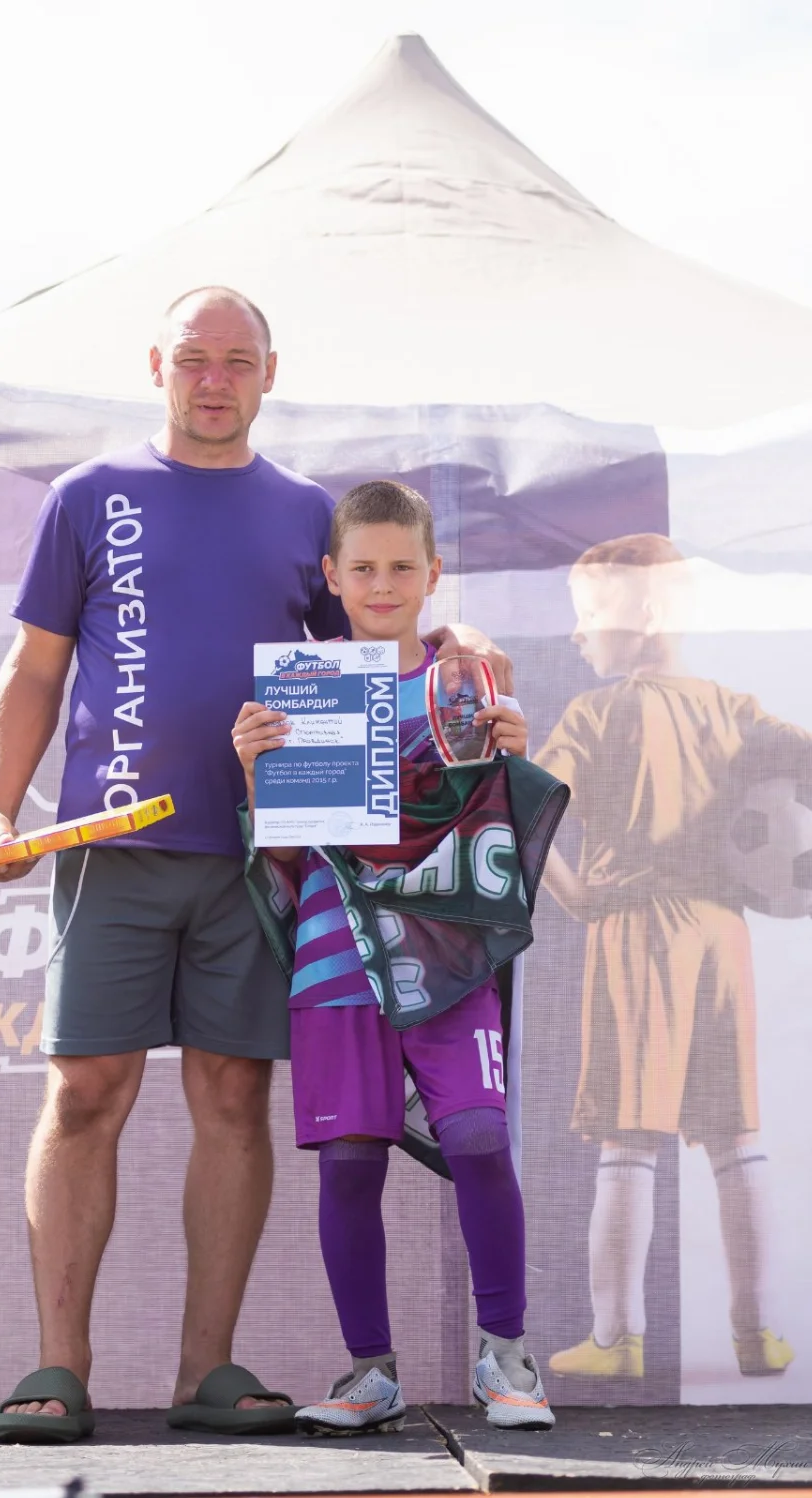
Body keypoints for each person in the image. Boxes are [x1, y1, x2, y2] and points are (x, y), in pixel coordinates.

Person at [0, 287, 513, 1442]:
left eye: (236, 361)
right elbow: (35, 668)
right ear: (156, 365)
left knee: (231, 1096)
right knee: (84, 1091)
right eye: (194, 359)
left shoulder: (306, 511)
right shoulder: (88, 495)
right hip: (110, 843)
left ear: (270, 372)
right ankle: (56, 1366)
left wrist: (456, 645)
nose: (213, 380)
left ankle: (205, 1369)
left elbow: (375, 635)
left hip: (265, 858)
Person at [232, 480, 558, 1434]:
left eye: (401, 567)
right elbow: (282, 859)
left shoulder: (467, 684)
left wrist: (512, 756)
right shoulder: (300, 689)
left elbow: (498, 829)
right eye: (364, 568)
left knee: (480, 1138)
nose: (383, 585)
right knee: (348, 1164)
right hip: (334, 959)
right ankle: (369, 1374)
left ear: (433, 574)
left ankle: (507, 1357)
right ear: (331, 576)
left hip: (448, 957)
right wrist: (256, 775)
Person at [535, 533, 809, 1380]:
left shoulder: (595, 713)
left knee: (629, 1138)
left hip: (637, 932)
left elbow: (520, 807)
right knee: (736, 1138)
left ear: (645, 613)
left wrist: (574, 895)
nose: (579, 632)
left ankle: (617, 1339)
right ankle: (757, 1335)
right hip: (722, 938)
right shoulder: (735, 709)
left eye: (590, 612)